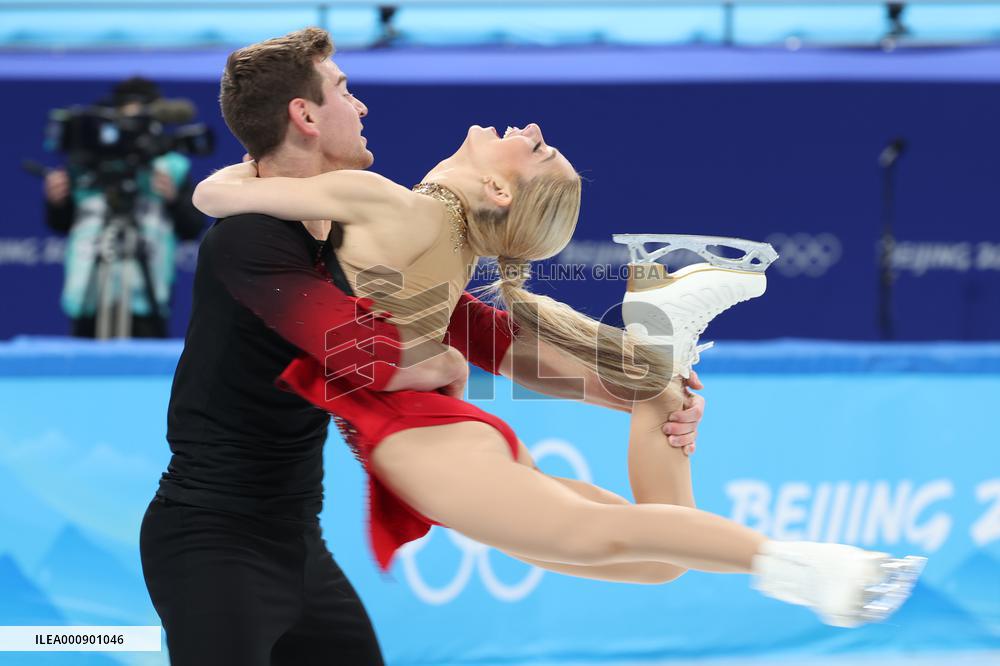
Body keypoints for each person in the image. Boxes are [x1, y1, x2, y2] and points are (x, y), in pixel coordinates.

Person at [194, 109, 924, 630]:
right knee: (656, 555)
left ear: (499, 193)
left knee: (599, 535)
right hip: (444, 432)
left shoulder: (398, 210)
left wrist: (259, 162)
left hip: (420, 436)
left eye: (538, 152)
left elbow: (216, 195)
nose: (534, 132)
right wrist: (645, 393)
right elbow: (498, 350)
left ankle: (806, 566)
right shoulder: (443, 247)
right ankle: (664, 359)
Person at [139, 28, 706, 666]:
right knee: (638, 548)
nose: (360, 107)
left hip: (295, 539)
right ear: (303, 115)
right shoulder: (249, 242)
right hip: (212, 540)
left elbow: (496, 343)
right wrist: (446, 362)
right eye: (343, 91)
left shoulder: (356, 244)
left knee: (652, 554)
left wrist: (635, 393)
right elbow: (364, 357)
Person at [44, 77, 205, 338]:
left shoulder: (173, 166)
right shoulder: (84, 162)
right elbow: (60, 223)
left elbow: (192, 227)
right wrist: (57, 201)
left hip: (147, 288)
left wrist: (173, 198)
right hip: (89, 292)